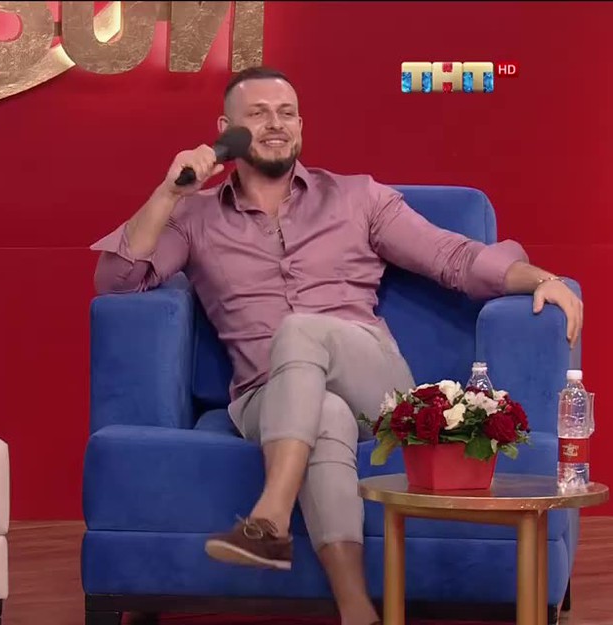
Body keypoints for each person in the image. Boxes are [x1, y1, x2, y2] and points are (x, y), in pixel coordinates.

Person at [90, 66, 583, 625]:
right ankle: (356, 611)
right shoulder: (195, 215)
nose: (275, 124)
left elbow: (454, 258)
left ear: (301, 126)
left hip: (375, 384)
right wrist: (169, 192)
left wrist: (544, 279)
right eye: (258, 114)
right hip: (265, 396)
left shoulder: (357, 197)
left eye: (287, 113)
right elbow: (117, 282)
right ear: (225, 132)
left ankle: (270, 517)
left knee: (300, 328)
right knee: (322, 411)